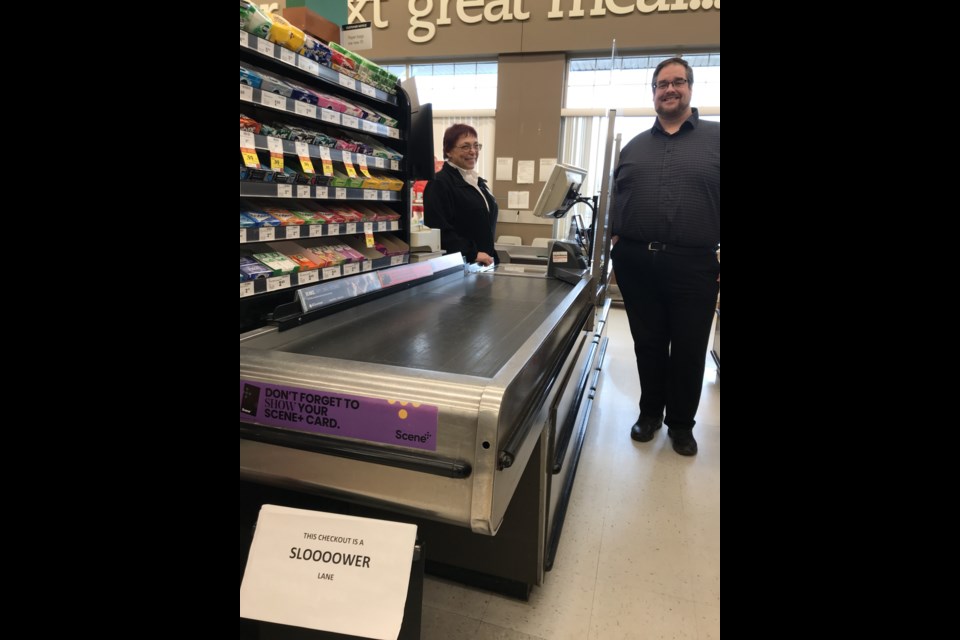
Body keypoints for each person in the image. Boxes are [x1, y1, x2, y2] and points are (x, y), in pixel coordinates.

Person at [610, 57, 720, 456]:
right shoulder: (634, 146)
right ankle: (650, 414)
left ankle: (681, 425)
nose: (669, 89)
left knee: (690, 348)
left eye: (677, 82)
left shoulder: (716, 138)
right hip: (638, 263)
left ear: (690, 88)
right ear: (653, 92)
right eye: (661, 84)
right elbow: (615, 202)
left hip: (695, 264)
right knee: (649, 345)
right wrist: (616, 245)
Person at [424, 124, 499, 266]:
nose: (473, 151)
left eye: (476, 146)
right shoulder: (439, 183)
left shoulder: (477, 183)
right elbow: (438, 229)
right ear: (448, 151)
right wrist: (472, 253)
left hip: (483, 265)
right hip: (460, 266)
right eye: (465, 147)